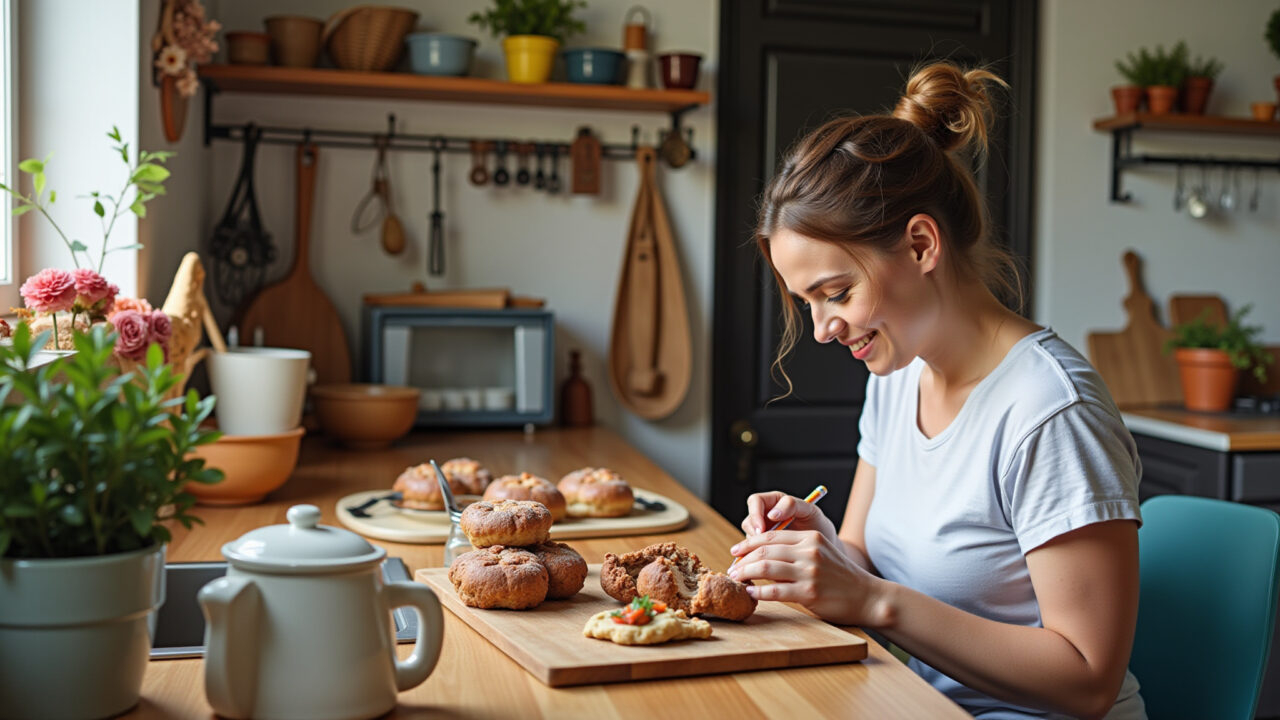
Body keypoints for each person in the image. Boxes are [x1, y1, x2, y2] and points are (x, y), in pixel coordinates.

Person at [727, 62, 1146, 720]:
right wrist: (819, 549)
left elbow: (1088, 678)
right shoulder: (898, 377)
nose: (822, 330)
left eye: (836, 293)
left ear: (921, 244)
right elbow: (865, 557)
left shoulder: (1050, 410)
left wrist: (871, 601)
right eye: (807, 302)